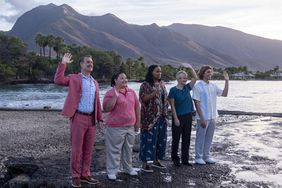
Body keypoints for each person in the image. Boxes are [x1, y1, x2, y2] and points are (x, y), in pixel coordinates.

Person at [54, 53, 103, 187]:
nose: (90, 64)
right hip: (78, 117)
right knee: (77, 149)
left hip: (91, 119)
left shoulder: (95, 82)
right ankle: (75, 175)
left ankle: (85, 174)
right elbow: (58, 80)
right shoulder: (74, 78)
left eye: (91, 62)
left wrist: (99, 118)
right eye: (87, 61)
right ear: (81, 64)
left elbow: (96, 101)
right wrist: (63, 63)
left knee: (88, 149)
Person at [103, 72, 141, 180]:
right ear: (115, 80)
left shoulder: (132, 92)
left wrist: (138, 122)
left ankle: (127, 168)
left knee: (128, 149)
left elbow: (137, 107)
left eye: (125, 78)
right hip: (115, 126)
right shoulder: (110, 93)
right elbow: (106, 108)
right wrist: (115, 96)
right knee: (114, 150)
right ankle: (112, 171)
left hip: (130, 126)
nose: (125, 80)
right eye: (122, 78)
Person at [192, 65, 229, 165]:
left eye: (211, 72)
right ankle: (198, 157)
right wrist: (202, 118)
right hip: (202, 117)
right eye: (208, 72)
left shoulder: (213, 86)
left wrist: (226, 81)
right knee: (200, 137)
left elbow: (225, 94)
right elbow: (196, 102)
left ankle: (206, 156)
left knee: (209, 137)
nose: (210, 74)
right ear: (203, 73)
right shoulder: (198, 86)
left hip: (213, 116)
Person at [139, 65, 169, 172]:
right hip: (149, 118)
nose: (159, 73)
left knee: (160, 139)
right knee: (147, 140)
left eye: (160, 71)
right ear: (151, 72)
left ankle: (156, 160)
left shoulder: (162, 84)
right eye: (157, 71)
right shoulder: (145, 85)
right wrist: (154, 93)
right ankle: (145, 163)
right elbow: (143, 99)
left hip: (162, 117)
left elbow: (165, 99)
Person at [168, 63, 198, 167]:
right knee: (176, 139)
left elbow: (195, 77)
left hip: (188, 116)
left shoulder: (187, 88)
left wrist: (190, 68)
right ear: (177, 79)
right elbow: (172, 106)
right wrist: (175, 118)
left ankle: (185, 159)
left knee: (187, 138)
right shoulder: (173, 90)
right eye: (181, 78)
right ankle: (175, 159)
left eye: (185, 78)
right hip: (178, 117)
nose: (184, 79)